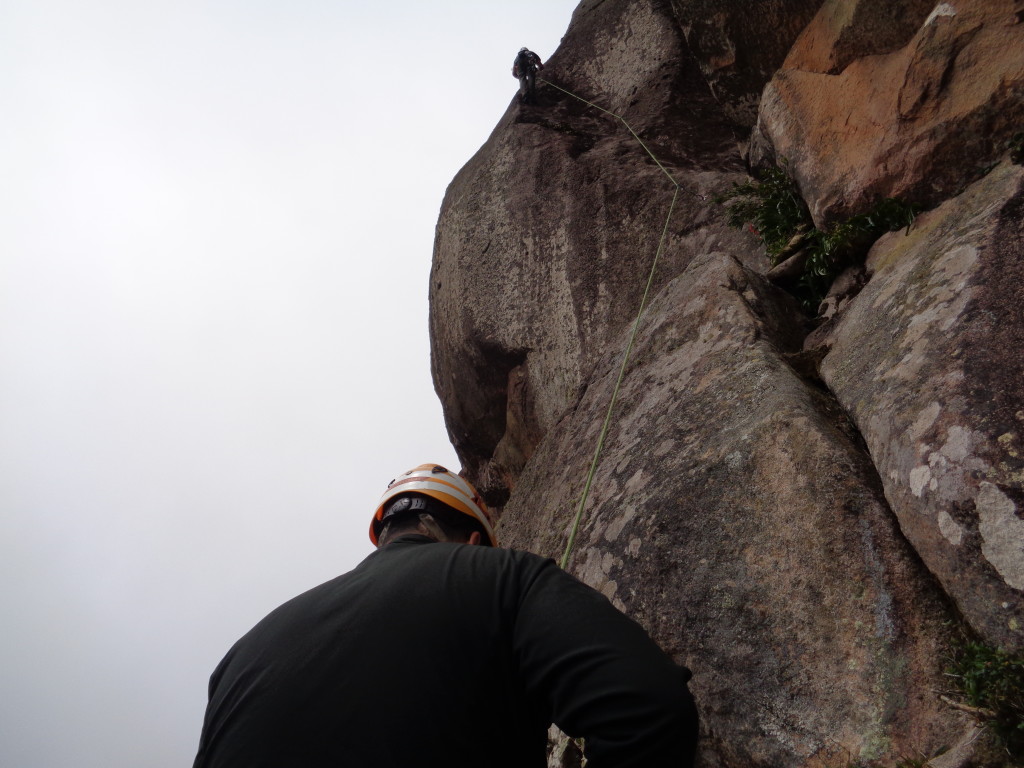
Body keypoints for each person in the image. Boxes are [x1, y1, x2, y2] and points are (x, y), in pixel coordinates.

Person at [192, 463, 699, 768]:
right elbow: (648, 709)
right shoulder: (504, 577)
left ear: (385, 531)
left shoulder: (239, 656)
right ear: (475, 541)